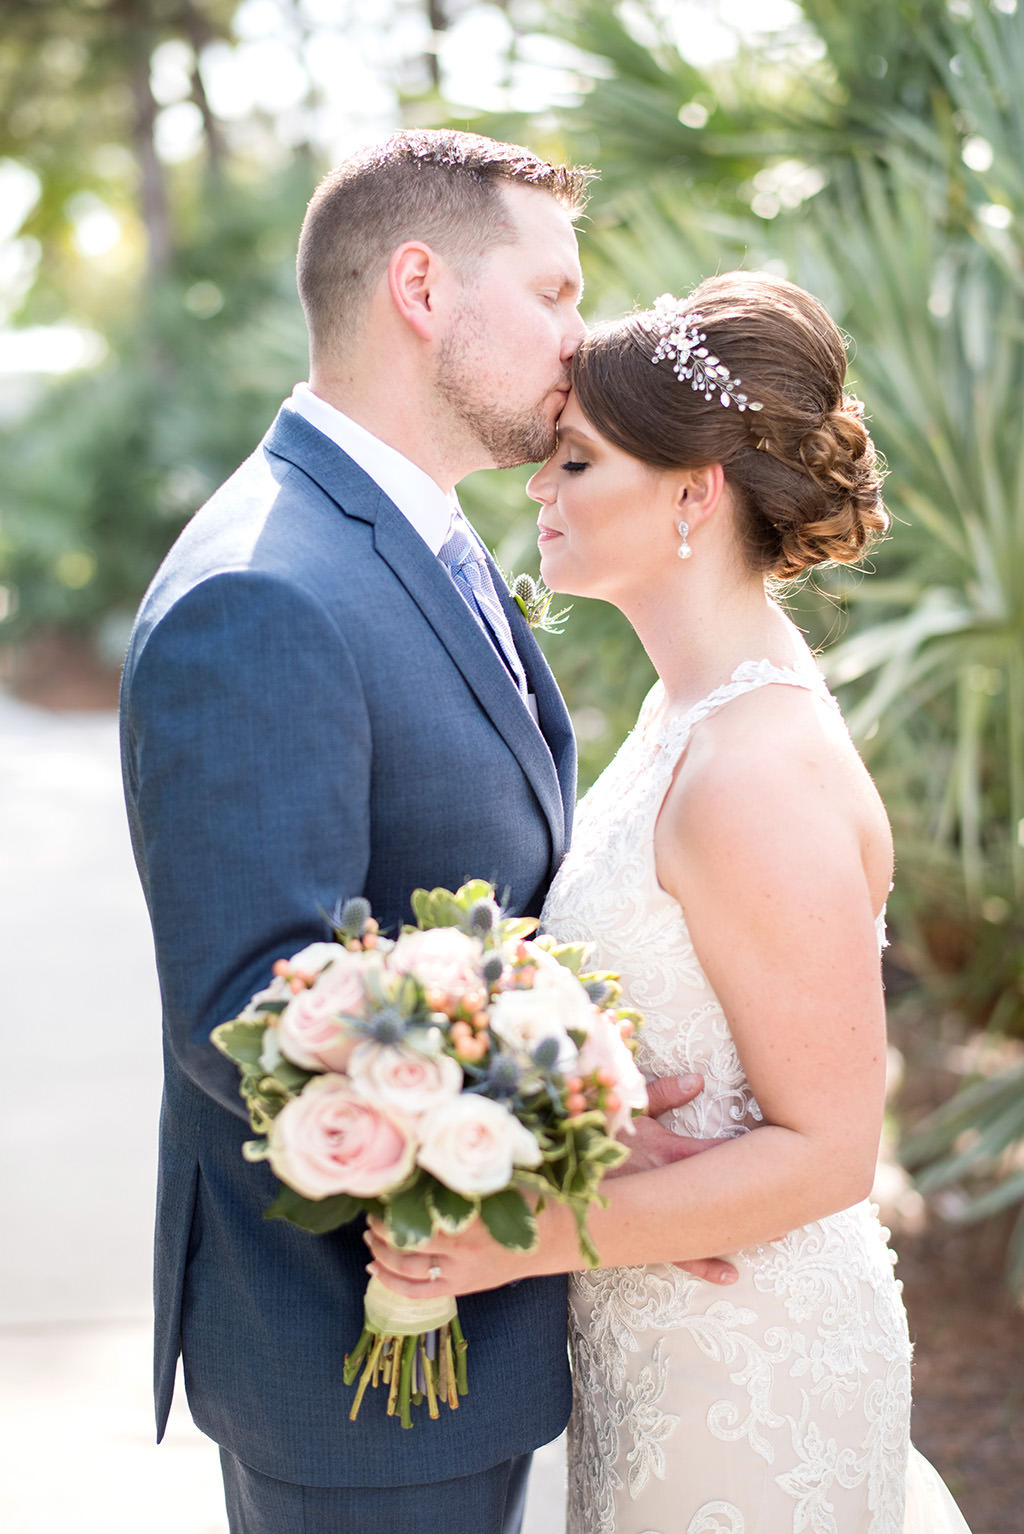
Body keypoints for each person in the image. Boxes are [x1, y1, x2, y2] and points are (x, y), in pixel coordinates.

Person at [119, 129, 730, 1534]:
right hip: (363, 1361)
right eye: (557, 291)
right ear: (420, 286)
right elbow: (251, 1009)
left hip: (471, 1341)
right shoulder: (264, 589)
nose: (583, 339)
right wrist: (577, 1140)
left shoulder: (422, 538)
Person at [367, 272, 973, 1532]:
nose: (539, 485)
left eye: (576, 461)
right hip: (656, 1339)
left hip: (751, 1367)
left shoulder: (753, 768)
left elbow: (831, 1149)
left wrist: (522, 1236)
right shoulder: (679, 714)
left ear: (693, 491)